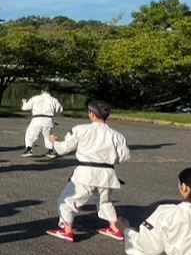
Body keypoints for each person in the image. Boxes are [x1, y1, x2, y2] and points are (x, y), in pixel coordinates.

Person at [46, 100, 131, 243]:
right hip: (107, 174)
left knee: (66, 201)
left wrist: (54, 142)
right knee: (105, 202)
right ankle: (115, 229)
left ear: (92, 114)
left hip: (86, 172)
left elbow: (63, 149)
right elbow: (124, 156)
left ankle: (66, 230)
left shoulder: (80, 129)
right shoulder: (117, 135)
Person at [21, 87, 64, 157]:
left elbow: (25, 108)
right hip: (48, 119)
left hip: (37, 119)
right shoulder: (54, 100)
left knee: (30, 134)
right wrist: (53, 115)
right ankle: (51, 151)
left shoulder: (35, 98)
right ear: (50, 91)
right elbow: (60, 110)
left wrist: (24, 102)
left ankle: (29, 149)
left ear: (42, 91)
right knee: (48, 136)